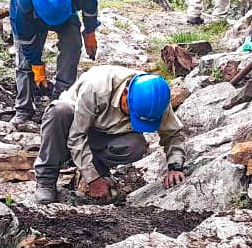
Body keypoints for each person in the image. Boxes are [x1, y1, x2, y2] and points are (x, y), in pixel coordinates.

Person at [34, 65, 187, 204]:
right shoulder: (96, 88)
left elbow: (173, 133)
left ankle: (98, 168)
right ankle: (46, 180)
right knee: (59, 111)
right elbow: (77, 137)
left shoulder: (156, 99)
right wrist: (93, 179)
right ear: (126, 94)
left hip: (105, 135)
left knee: (136, 145)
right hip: (72, 125)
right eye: (132, 113)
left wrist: (175, 166)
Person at [9, 0, 100, 127]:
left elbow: (90, 6)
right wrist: (36, 65)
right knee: (24, 63)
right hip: (32, 18)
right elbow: (26, 41)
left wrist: (90, 31)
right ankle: (23, 110)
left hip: (66, 14)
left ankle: (61, 99)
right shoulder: (22, 7)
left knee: (73, 44)